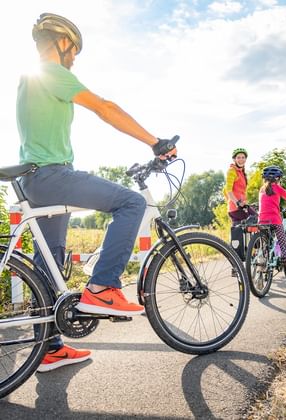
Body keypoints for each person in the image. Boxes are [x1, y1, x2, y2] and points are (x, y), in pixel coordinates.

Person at [16, 13, 177, 372]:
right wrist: (155, 142)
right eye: (74, 51)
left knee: (51, 262)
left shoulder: (28, 79)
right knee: (131, 202)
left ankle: (48, 347)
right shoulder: (53, 73)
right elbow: (106, 108)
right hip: (52, 175)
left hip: (35, 179)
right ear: (62, 43)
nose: (74, 59)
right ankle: (103, 287)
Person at [223, 148, 257, 226]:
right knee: (257, 218)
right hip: (237, 208)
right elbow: (228, 190)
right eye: (238, 157)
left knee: (238, 233)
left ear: (245, 159)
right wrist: (236, 202)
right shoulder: (232, 171)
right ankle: (257, 238)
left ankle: (252, 237)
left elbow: (225, 191)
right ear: (234, 159)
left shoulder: (241, 172)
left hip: (236, 208)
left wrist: (244, 203)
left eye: (243, 157)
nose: (241, 159)